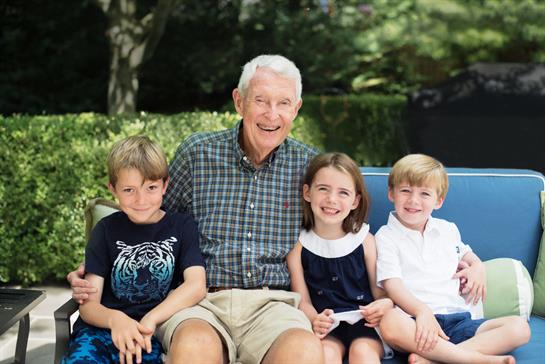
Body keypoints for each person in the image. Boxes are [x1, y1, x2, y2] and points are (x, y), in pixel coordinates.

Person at [68, 55, 324, 364]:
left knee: (304, 351)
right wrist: (99, 268)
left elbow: (338, 237)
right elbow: (150, 219)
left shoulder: (310, 167)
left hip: (273, 303)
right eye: (261, 101)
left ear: (296, 108)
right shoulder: (198, 154)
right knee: (194, 345)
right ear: (239, 102)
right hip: (200, 301)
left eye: (283, 103)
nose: (272, 114)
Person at [62, 136, 206, 364]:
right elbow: (89, 305)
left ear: (165, 185)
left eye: (151, 187)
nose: (141, 199)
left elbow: (196, 285)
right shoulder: (106, 230)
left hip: (150, 332)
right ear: (113, 189)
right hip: (100, 331)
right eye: (129, 190)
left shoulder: (182, 227)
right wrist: (116, 320)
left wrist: (151, 320)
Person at [375, 154, 531, 364]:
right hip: (413, 323)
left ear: (438, 201)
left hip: (457, 320)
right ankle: (475, 360)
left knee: (520, 327)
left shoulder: (448, 229)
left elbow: (467, 254)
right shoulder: (385, 236)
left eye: (424, 194)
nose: (413, 200)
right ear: (391, 194)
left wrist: (477, 267)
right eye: (405, 191)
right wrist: (422, 312)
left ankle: (434, 360)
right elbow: (392, 285)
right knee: (390, 321)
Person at [287, 152, 393, 364]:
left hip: (365, 322)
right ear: (307, 193)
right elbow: (303, 300)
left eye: (343, 193)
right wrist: (314, 318)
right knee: (325, 355)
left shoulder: (365, 240)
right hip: (327, 324)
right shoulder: (297, 245)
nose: (331, 199)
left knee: (362, 353)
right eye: (323, 189)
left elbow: (380, 293)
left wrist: (385, 305)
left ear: (355, 201)